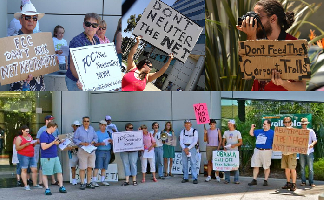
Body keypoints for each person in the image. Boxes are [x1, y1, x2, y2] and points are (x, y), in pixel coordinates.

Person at [236, 0, 306, 91]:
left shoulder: (293, 45)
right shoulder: (256, 41)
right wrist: (250, 35)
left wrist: (283, 83)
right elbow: (249, 68)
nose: (255, 22)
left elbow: (302, 88)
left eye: (258, 17)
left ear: (273, 19)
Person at [10, 3, 45, 91]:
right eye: (27, 17)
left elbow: (44, 67)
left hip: (39, 88)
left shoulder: (41, 41)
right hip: (19, 89)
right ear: (20, 20)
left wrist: (51, 62)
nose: (31, 20)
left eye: (34, 18)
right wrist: (22, 75)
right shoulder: (11, 41)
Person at [66, 13, 101, 91]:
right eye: (88, 24)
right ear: (84, 25)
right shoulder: (77, 41)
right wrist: (82, 79)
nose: (91, 27)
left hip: (91, 81)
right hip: (76, 81)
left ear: (98, 27)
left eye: (94, 25)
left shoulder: (96, 40)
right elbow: (72, 66)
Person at [39, 122, 67, 195]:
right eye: (55, 128)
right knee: (45, 173)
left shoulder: (52, 135)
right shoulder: (43, 135)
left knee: (59, 171)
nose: (55, 129)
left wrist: (60, 142)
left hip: (55, 156)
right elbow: (43, 147)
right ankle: (47, 189)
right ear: (51, 127)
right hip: (47, 157)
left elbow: (53, 143)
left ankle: (61, 186)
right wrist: (53, 143)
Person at [73, 116, 98, 190]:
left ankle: (88, 183)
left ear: (89, 122)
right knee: (83, 168)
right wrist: (82, 143)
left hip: (91, 150)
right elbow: (75, 139)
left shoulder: (92, 129)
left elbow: (96, 138)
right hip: (82, 150)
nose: (86, 123)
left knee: (90, 167)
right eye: (85, 121)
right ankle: (82, 183)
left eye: (87, 121)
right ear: (82, 122)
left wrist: (93, 141)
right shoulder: (79, 129)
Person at [15, 125, 42, 190]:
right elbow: (17, 148)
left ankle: (35, 184)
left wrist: (35, 143)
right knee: (24, 169)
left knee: (34, 170)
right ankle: (26, 185)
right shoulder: (19, 138)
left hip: (31, 155)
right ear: (22, 131)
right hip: (23, 155)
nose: (28, 132)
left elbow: (32, 145)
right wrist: (25, 145)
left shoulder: (29, 136)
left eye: (28, 131)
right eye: (26, 131)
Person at [248, 120, 274, 186]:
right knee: (255, 165)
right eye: (263, 124)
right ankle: (254, 179)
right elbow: (251, 134)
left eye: (265, 124)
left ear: (269, 125)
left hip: (267, 151)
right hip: (257, 150)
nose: (263, 125)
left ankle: (265, 180)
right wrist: (252, 128)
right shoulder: (259, 131)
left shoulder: (272, 133)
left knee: (266, 166)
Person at [35, 115, 59, 186]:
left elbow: (57, 137)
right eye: (50, 120)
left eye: (52, 120)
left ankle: (53, 180)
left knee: (53, 165)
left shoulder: (56, 129)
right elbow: (37, 140)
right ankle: (40, 181)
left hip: (53, 150)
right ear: (46, 120)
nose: (51, 121)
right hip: (45, 150)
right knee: (43, 165)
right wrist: (46, 142)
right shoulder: (42, 129)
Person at [92, 120, 112, 187]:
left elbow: (113, 142)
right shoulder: (96, 133)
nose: (103, 126)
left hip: (108, 151)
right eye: (102, 125)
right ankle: (94, 180)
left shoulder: (108, 133)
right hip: (99, 151)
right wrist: (100, 143)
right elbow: (94, 144)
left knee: (104, 167)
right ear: (99, 125)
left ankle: (103, 180)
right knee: (97, 166)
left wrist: (111, 141)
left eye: (105, 125)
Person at [222, 119, 242, 184]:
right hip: (227, 151)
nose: (228, 125)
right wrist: (224, 147)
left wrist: (235, 145)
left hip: (235, 151)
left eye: (229, 124)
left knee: (235, 165)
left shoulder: (237, 132)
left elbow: (241, 142)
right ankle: (227, 179)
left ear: (233, 124)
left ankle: (236, 179)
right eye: (228, 124)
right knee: (227, 165)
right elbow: (223, 141)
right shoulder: (226, 132)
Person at [299, 118, 317, 187]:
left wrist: (312, 144)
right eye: (303, 124)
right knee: (302, 167)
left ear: (307, 124)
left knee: (310, 168)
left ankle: (311, 182)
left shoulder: (311, 131)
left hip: (309, 151)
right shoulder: (299, 132)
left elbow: (315, 140)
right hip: (301, 151)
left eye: (305, 124)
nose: (304, 125)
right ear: (301, 124)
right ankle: (303, 181)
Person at [281, 117, 297, 191]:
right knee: (286, 169)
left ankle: (294, 184)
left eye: (288, 122)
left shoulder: (294, 131)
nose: (287, 123)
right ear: (284, 123)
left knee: (292, 169)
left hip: (292, 152)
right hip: (284, 152)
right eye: (285, 122)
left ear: (291, 122)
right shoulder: (281, 131)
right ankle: (288, 183)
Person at [179, 120, 198, 184]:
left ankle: (195, 178)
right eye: (186, 124)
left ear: (191, 124)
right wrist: (184, 148)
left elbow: (195, 141)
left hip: (192, 148)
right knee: (184, 163)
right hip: (184, 147)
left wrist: (188, 148)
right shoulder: (182, 131)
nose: (187, 125)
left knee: (193, 163)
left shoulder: (194, 131)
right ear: (184, 125)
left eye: (188, 124)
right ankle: (185, 177)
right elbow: (181, 141)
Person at [68, 120, 81, 185]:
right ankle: (73, 179)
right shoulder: (70, 135)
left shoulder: (82, 134)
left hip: (81, 152)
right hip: (73, 152)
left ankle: (83, 179)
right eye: (76, 126)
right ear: (73, 126)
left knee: (82, 167)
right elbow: (68, 144)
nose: (77, 127)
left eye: (78, 126)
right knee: (73, 167)